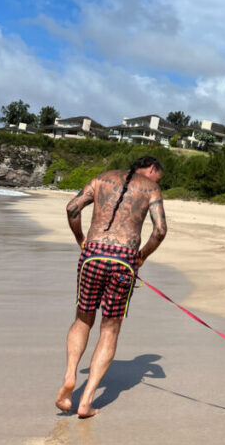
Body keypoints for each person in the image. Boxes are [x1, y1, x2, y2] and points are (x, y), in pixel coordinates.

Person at [55, 154, 167, 417]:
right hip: (123, 260)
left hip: (92, 254)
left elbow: (72, 207)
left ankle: (70, 377)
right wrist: (141, 256)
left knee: (82, 320)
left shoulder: (102, 178)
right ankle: (87, 401)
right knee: (110, 328)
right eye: (158, 176)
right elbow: (160, 230)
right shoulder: (150, 188)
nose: (156, 180)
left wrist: (81, 239)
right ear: (151, 168)